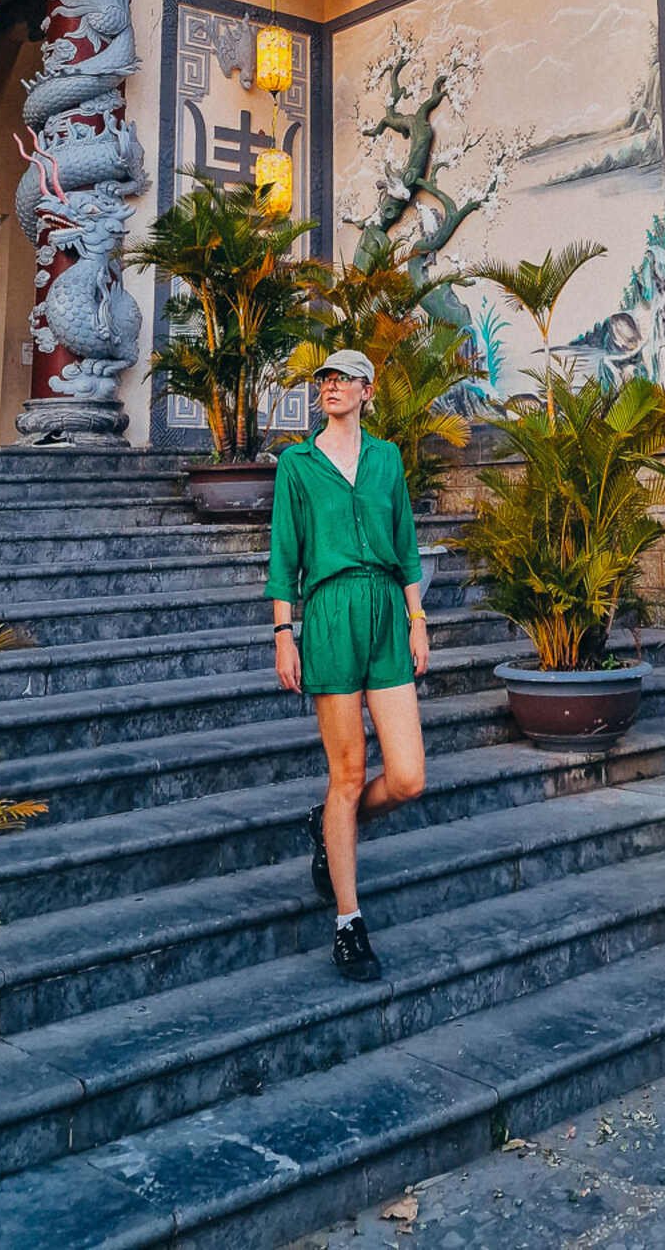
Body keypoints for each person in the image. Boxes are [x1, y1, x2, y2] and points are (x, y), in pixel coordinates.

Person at [266, 348, 429, 982]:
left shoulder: (387, 459)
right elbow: (285, 555)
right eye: (325, 380)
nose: (330, 387)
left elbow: (408, 544)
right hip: (330, 613)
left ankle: (330, 825)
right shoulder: (298, 465)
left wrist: (418, 621)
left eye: (343, 379)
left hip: (388, 612)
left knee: (410, 776)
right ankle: (348, 921)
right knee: (348, 772)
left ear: (368, 389)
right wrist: (285, 633)